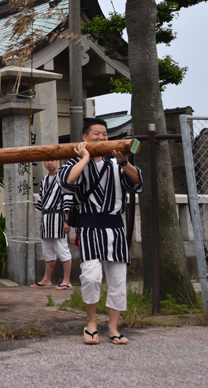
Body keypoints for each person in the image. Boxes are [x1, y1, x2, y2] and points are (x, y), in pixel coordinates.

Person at [58, 118, 143, 346]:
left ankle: (114, 328)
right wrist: (85, 158)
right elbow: (67, 182)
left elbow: (137, 182)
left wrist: (124, 163)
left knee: (118, 279)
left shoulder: (116, 162)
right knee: (91, 276)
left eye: (104, 134)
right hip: (89, 226)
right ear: (85, 137)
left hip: (115, 226)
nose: (102, 137)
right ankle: (92, 322)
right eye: (97, 134)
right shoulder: (74, 161)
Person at [31, 159, 74, 290]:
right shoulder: (44, 180)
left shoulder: (63, 177)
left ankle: (67, 280)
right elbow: (41, 200)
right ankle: (47, 279)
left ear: (57, 161)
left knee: (62, 249)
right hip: (46, 217)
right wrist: (41, 220)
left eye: (52, 160)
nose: (49, 163)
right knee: (47, 250)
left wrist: (67, 221)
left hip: (58, 216)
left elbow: (68, 198)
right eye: (47, 160)